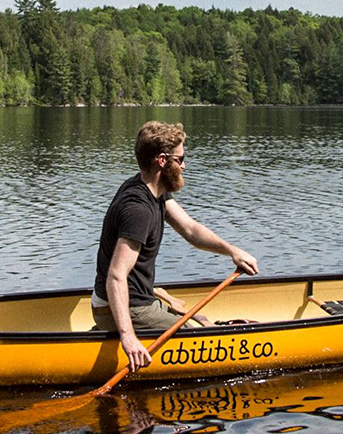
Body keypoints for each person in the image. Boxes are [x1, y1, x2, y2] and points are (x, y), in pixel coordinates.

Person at [92, 121, 259, 373]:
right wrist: (127, 337)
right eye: (180, 159)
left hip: (131, 302)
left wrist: (232, 250)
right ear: (162, 160)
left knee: (199, 319)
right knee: (197, 337)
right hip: (129, 308)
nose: (184, 165)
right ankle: (114, 332)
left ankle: (107, 332)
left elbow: (190, 230)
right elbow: (116, 276)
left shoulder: (150, 190)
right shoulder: (139, 209)